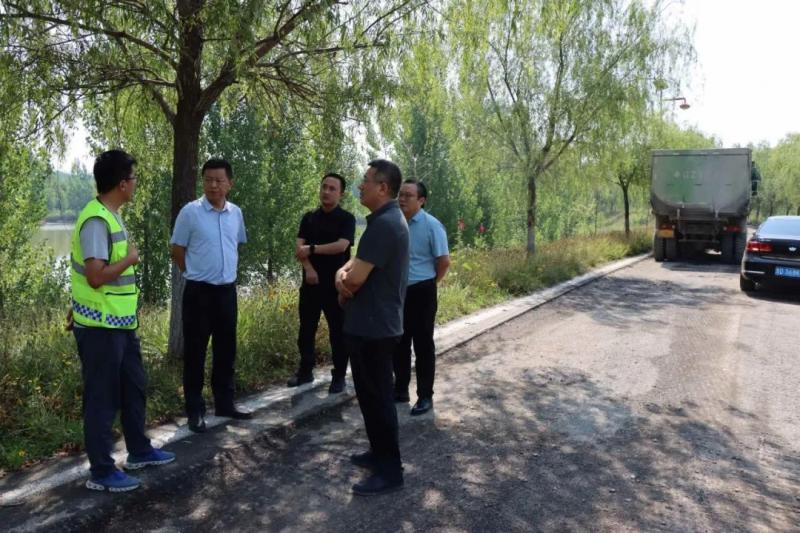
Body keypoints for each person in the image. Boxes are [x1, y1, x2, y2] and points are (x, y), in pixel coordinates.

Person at [68, 149, 175, 492]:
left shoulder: (110, 215)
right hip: (100, 328)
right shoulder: (96, 220)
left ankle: (139, 450)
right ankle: (101, 471)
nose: (136, 183)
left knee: (133, 387)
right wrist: (130, 259)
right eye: (133, 178)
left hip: (121, 324)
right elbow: (95, 276)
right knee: (102, 399)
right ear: (121, 183)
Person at [336, 159, 409, 496]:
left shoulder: (386, 224)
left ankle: (390, 471)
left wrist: (340, 280)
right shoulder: (382, 221)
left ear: (383, 187)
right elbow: (355, 263)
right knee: (369, 397)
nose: (360, 185)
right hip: (370, 324)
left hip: (374, 328)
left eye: (366, 180)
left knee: (379, 400)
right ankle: (378, 453)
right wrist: (345, 274)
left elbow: (354, 278)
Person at [170, 158, 251, 434]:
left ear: (230, 184)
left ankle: (225, 403)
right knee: (195, 353)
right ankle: (195, 410)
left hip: (227, 291)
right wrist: (193, 272)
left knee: (226, 350)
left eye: (218, 180)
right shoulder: (190, 213)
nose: (213, 185)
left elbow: (235, 244)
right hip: (199, 293)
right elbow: (177, 250)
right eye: (208, 180)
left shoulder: (236, 213)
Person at [287, 173, 356, 393]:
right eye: (324, 187)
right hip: (311, 283)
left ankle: (339, 375)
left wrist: (312, 249)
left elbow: (341, 246)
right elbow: (299, 248)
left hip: (336, 285)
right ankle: (305, 371)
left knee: (338, 332)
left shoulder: (346, 219)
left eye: (332, 188)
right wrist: (308, 268)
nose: (326, 191)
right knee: (306, 330)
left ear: (341, 194)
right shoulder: (309, 218)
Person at [394, 179, 450, 416]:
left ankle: (425, 396)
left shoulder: (432, 225)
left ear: (421, 200)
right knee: (399, 342)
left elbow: (443, 261)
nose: (402, 199)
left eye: (408, 195)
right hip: (398, 292)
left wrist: (430, 283)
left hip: (423, 291)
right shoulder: (395, 223)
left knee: (423, 344)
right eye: (400, 194)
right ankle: (400, 389)